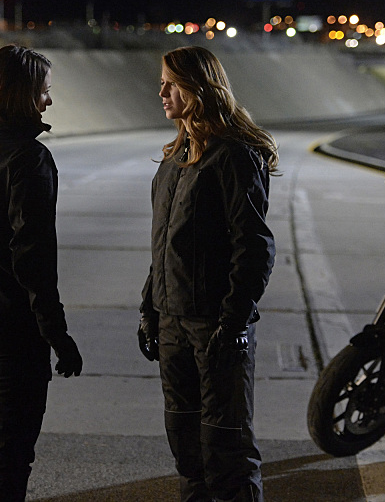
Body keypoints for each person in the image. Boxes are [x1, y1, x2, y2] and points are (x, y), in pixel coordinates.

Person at [138, 46, 279, 501]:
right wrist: (150, 309)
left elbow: (254, 246)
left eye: (171, 84)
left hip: (215, 325)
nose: (162, 92)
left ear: (198, 88)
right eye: (162, 83)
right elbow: (164, 245)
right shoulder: (174, 158)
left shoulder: (233, 156)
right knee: (187, 450)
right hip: (172, 322)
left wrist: (234, 322)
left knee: (227, 453)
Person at [0, 44, 83, 502]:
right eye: (44, 91)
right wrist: (56, 334)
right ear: (23, 94)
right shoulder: (28, 159)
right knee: (13, 448)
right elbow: (34, 258)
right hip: (12, 323)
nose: (49, 101)